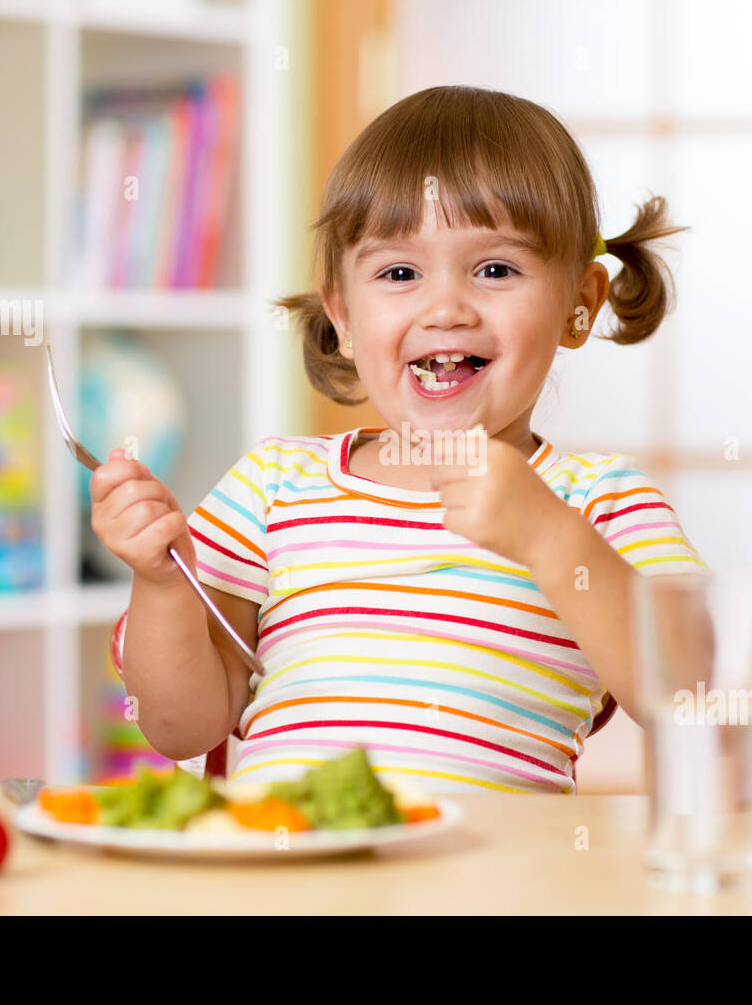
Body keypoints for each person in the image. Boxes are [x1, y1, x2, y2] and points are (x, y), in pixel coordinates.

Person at [91, 85, 709, 795]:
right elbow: (181, 729)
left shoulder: (601, 502)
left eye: (496, 269)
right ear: (344, 315)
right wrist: (162, 582)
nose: (445, 307)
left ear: (580, 302)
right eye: (400, 273)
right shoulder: (274, 485)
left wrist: (549, 537)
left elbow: (696, 701)